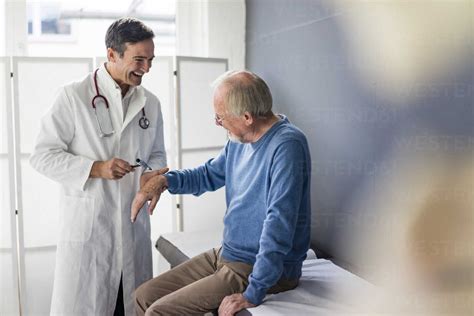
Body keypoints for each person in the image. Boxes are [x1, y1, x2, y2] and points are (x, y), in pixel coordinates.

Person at [131, 70, 312, 316]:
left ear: (247, 117)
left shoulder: (287, 146)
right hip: (228, 254)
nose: (217, 123)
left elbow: (279, 223)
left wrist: (253, 292)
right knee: (143, 296)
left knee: (158, 312)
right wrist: (164, 181)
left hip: (260, 267)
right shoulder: (240, 140)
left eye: (220, 117)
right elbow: (207, 175)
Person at [29, 18, 167, 315]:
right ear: (112, 54)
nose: (146, 68)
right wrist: (96, 168)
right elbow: (42, 155)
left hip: (133, 226)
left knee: (129, 305)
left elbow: (157, 155)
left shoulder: (150, 103)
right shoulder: (73, 96)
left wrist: (152, 177)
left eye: (150, 60)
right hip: (91, 231)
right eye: (138, 60)